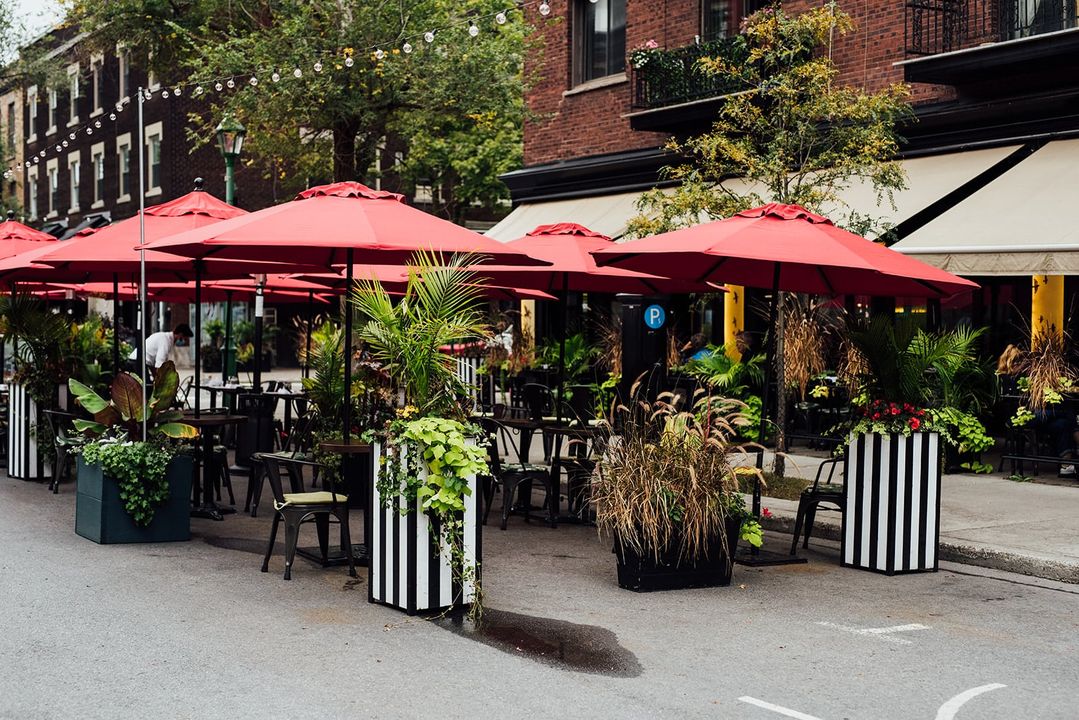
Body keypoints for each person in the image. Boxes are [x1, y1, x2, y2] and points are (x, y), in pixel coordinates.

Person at [127, 324, 194, 370]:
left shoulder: (166, 339)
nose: (184, 341)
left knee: (148, 385)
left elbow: (154, 365)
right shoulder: (165, 341)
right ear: (180, 334)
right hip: (138, 361)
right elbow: (159, 364)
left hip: (138, 360)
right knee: (147, 388)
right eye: (185, 339)